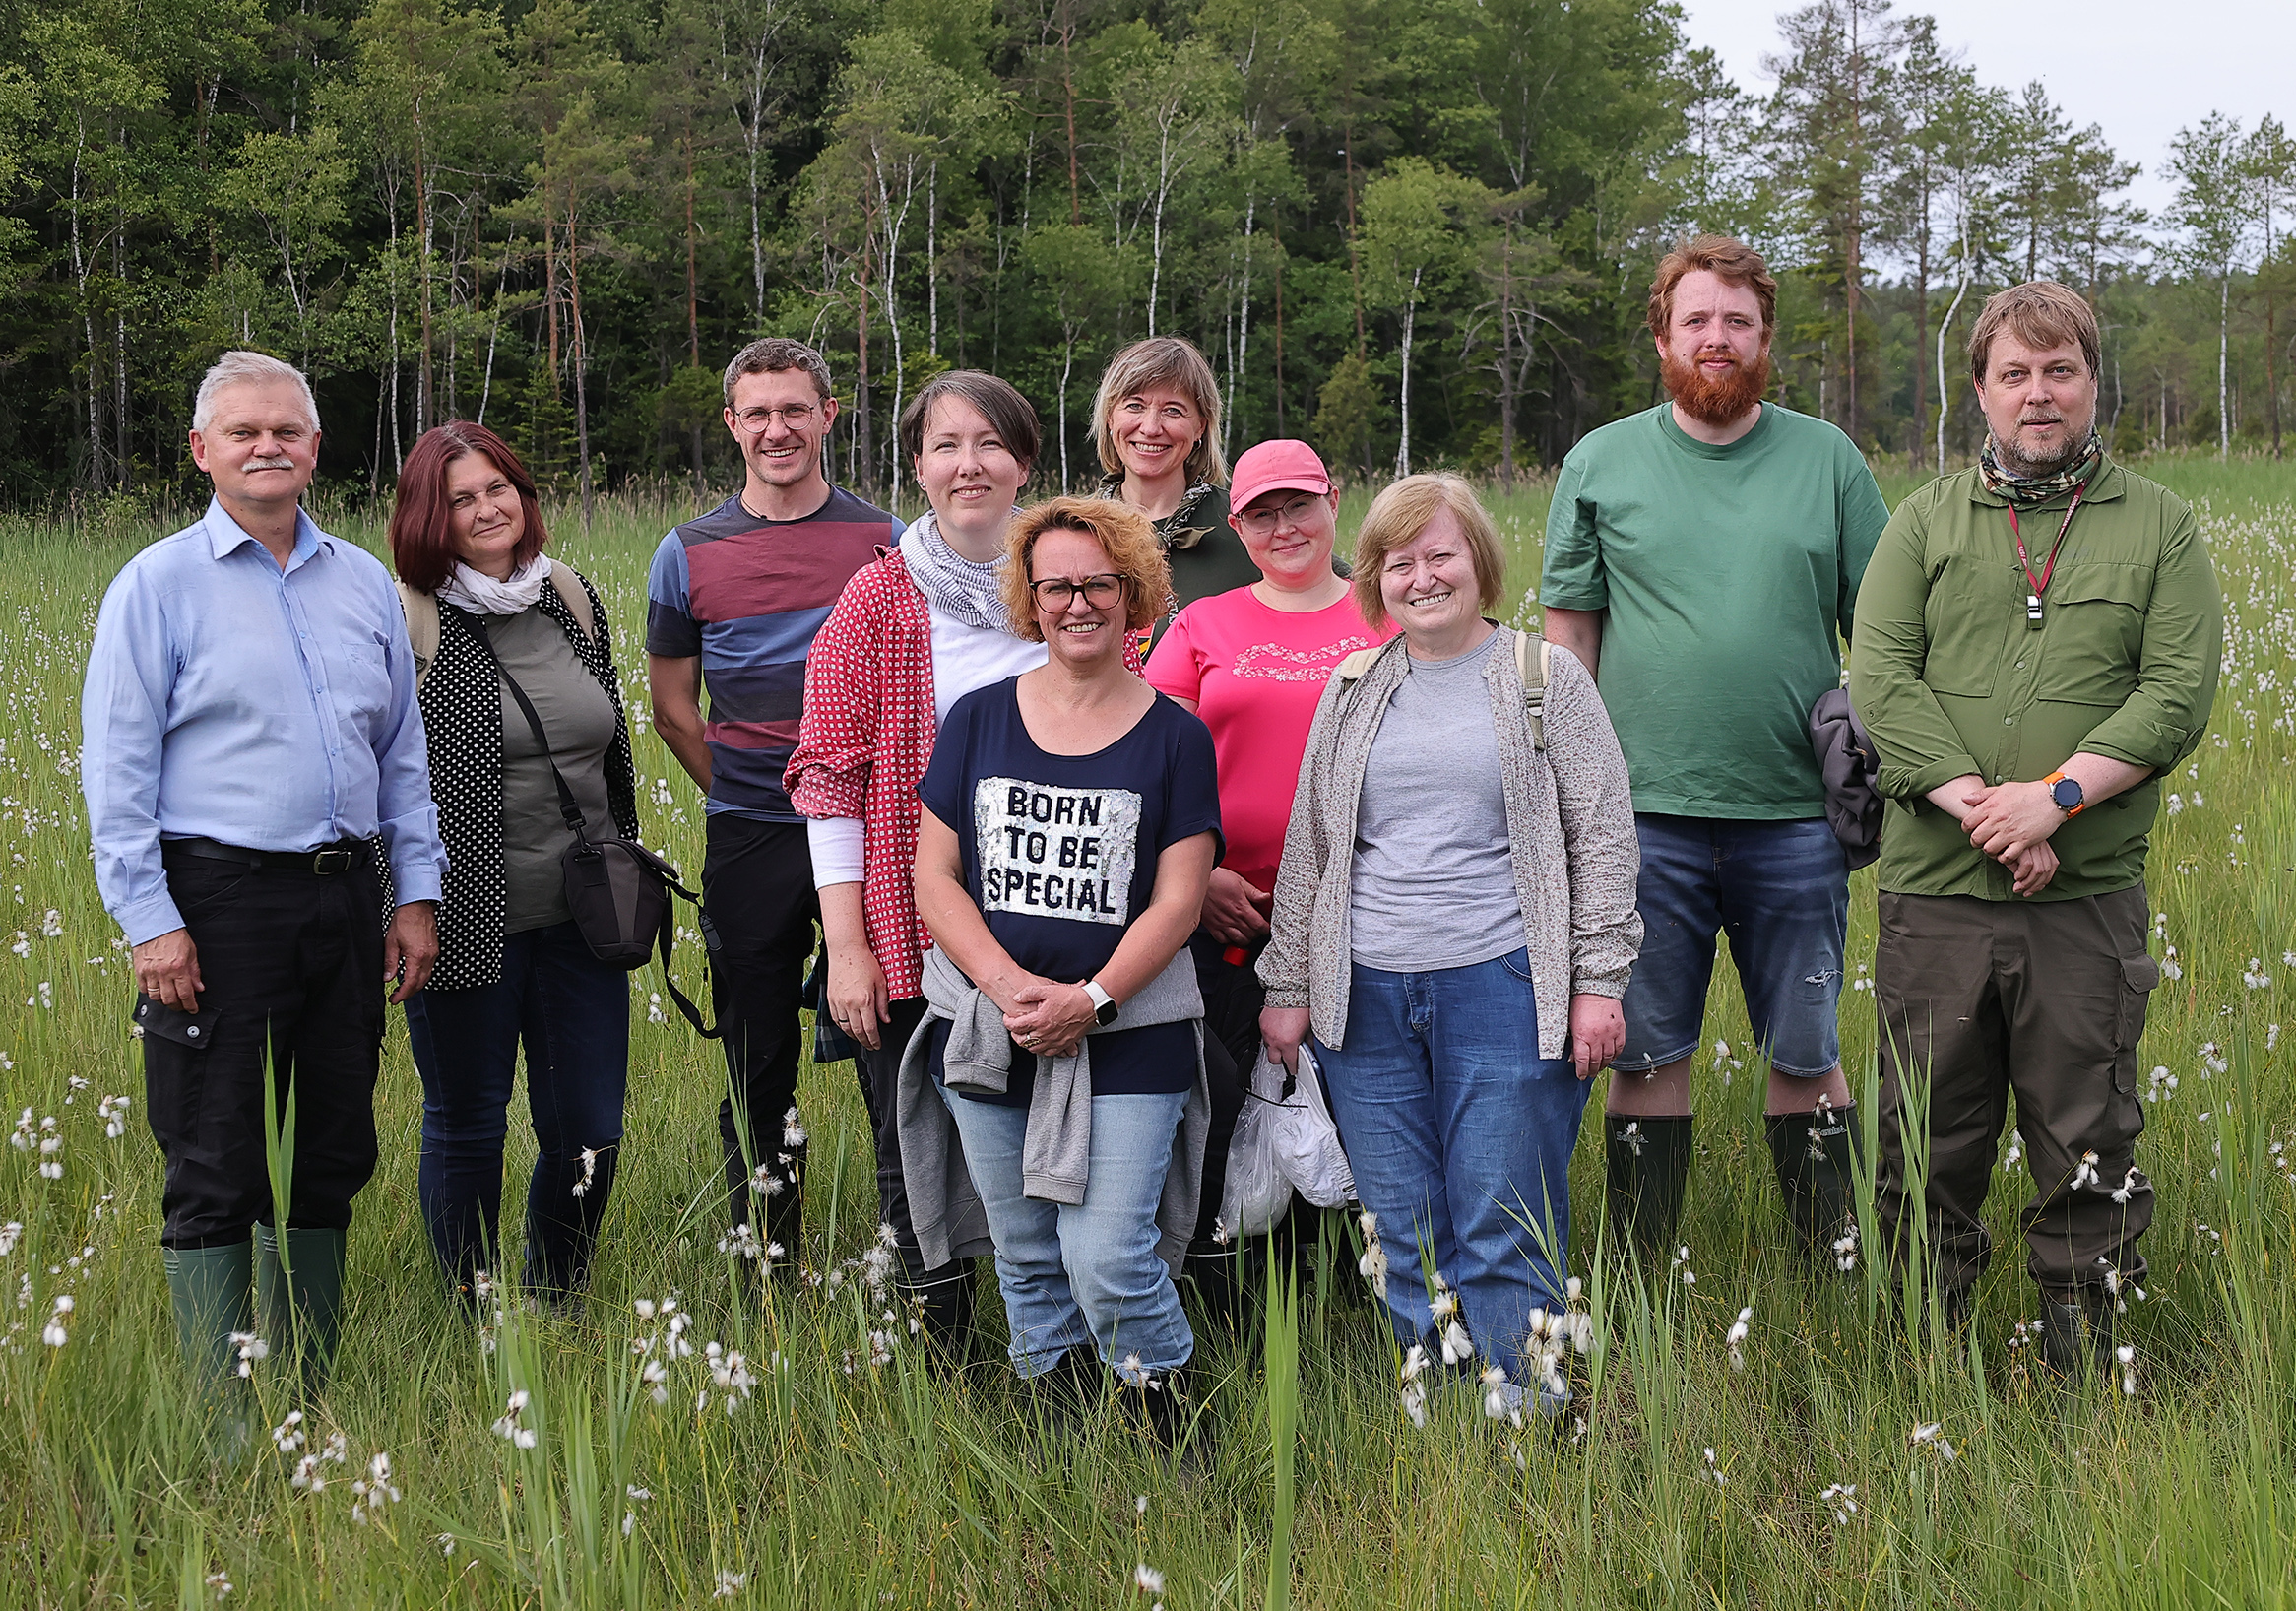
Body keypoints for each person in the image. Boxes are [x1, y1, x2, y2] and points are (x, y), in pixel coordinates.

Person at [1849, 282, 2221, 1381]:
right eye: (2014, 373)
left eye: (2058, 370)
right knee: (1926, 1140)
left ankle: (2079, 1359)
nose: (2038, 393)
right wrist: (1983, 806)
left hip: (2082, 897)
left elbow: (2174, 694)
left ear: (2091, 380)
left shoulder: (2160, 523)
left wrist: (2052, 799)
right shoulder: (1921, 522)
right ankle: (1925, 1356)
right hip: (1935, 895)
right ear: (1980, 391)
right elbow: (1880, 677)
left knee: (2088, 1133)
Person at [82, 351, 447, 1443]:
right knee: (215, 1146)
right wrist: (152, 921)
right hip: (217, 897)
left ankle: (309, 1381)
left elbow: (401, 756)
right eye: (242, 431)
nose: (266, 445)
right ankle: (225, 1412)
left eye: (285, 428)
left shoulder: (362, 585)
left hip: (344, 897)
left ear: (315, 446)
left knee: (333, 1140)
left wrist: (414, 893)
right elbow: (117, 772)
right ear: (203, 451)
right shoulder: (157, 584)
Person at [1538, 234, 1891, 1264]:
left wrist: (1866, 734)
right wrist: (1573, 798)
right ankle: (1643, 1278)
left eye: (1737, 320)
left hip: (1796, 818)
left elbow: (1885, 623)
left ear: (1765, 336)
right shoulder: (1601, 461)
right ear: (1661, 336)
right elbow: (1569, 639)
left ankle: (1830, 1267)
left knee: (1808, 1051)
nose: (1717, 338)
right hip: (1645, 819)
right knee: (1645, 1055)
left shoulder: (1826, 459)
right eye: (1695, 319)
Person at [1259, 474, 1640, 1420]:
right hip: (1366, 998)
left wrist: (1597, 980)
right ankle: (1437, 1413)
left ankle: (1533, 1422)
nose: (1423, 578)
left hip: (1505, 985)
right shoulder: (1353, 691)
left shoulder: (1545, 679)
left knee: (1502, 1219)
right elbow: (1312, 844)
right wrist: (1290, 979)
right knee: (1402, 1222)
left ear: (1479, 563)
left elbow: (1601, 836)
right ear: (1378, 581)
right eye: (1400, 562)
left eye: (1442, 556)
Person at [898, 497, 1220, 1443]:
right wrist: (1007, 990)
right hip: (995, 1024)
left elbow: (1179, 900)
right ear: (1030, 600)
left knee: (1111, 1252)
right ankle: (1066, 1432)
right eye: (1056, 587)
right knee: (1028, 1251)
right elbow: (935, 875)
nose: (1078, 603)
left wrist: (1092, 998)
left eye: (1098, 584)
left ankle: (1173, 1434)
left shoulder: (1175, 736)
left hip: (1132, 1029)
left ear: (1134, 594)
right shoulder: (978, 720)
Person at [786, 371, 1050, 1356]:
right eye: (946, 445)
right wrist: (847, 946)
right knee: (916, 1152)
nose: (968, 463)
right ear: (916, 466)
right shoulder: (877, 598)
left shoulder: (1065, 577)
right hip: (908, 926)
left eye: (989, 442)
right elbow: (829, 780)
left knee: (1046, 1144)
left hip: (1048, 919)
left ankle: (1053, 1347)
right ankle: (943, 1360)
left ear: (1024, 461)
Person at [648, 339, 902, 1273]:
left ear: (829, 414)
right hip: (750, 835)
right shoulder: (687, 553)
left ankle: (906, 1250)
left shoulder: (886, 539)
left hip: (875, 834)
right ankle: (768, 1251)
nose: (776, 429)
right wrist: (752, 795)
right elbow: (674, 707)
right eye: (757, 413)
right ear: (732, 424)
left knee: (889, 1045)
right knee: (756, 1057)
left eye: (794, 409)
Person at [389, 421, 640, 1313]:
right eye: (461, 497)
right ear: (431, 514)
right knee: (468, 1128)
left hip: (583, 917)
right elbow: (385, 775)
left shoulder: (568, 597)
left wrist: (629, 872)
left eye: (499, 487)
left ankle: (555, 1294)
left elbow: (609, 758)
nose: (487, 508)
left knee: (589, 1132)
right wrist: (402, 904)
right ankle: (473, 1310)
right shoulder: (407, 618)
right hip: (460, 921)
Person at [1144, 438, 1394, 1303]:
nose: (1284, 526)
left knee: (1362, 1103)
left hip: (1367, 909)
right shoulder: (1202, 624)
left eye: (1299, 505)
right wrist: (1199, 874)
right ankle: (1229, 1288)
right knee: (1226, 1099)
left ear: (1333, 501)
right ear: (1237, 527)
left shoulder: (1387, 614)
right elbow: (1153, 762)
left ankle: (1360, 1293)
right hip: (1229, 908)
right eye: (1261, 513)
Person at [1090, 337, 1258, 622]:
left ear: (1200, 428)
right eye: (1134, 406)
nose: (1151, 428)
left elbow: (1339, 590)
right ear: (1109, 418)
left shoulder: (1248, 523)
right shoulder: (1074, 530)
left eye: (1173, 411)